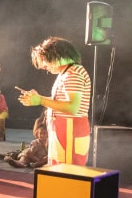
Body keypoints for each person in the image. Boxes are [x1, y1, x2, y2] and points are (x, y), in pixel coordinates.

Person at [18, 37, 91, 166]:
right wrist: (38, 98)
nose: (44, 67)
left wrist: (40, 100)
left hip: (70, 132)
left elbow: (72, 107)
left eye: (44, 61)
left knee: (67, 172)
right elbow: (61, 102)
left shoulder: (73, 73)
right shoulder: (66, 73)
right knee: (58, 170)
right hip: (63, 132)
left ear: (56, 55)